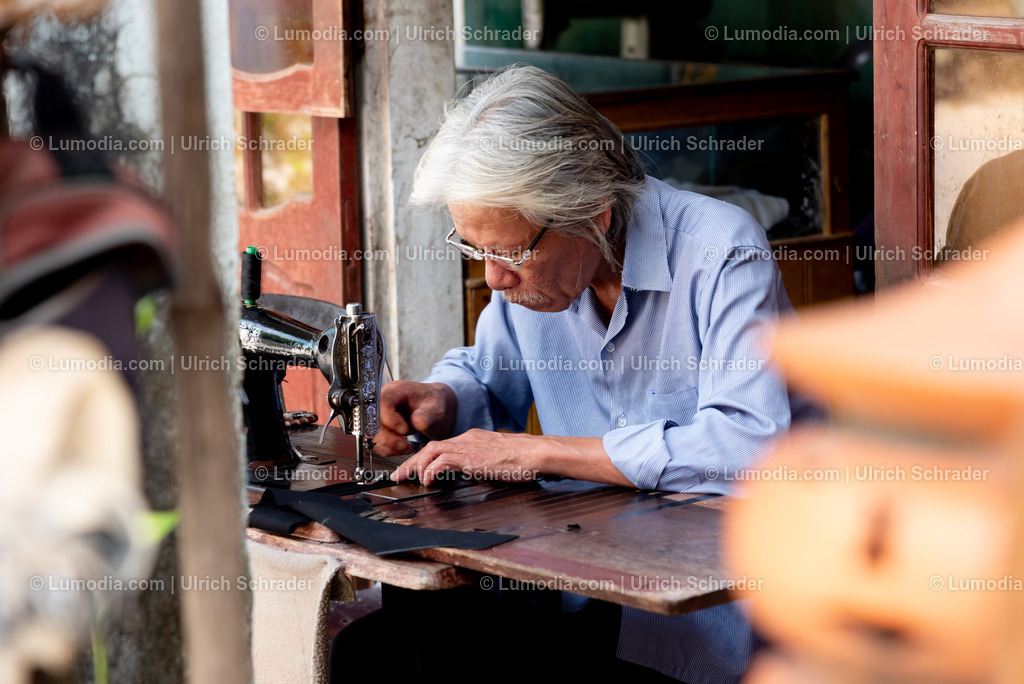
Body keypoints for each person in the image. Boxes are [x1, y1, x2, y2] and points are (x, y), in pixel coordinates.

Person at [375, 65, 813, 683]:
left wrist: (542, 452)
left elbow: (745, 443)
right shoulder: (528, 265)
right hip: (586, 580)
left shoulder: (720, 252)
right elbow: (491, 374)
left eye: (510, 252)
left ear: (593, 216)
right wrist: (444, 397)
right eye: (477, 249)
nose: (494, 277)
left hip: (725, 596)